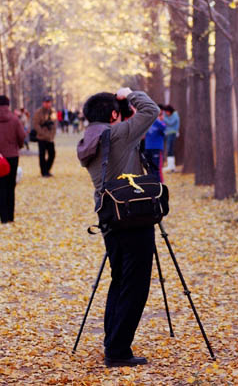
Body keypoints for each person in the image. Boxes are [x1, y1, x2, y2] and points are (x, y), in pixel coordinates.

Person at [77, 87, 159, 367]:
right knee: (135, 285)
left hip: (108, 216)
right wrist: (131, 93)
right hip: (132, 214)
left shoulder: (91, 138)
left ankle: (113, 341)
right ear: (114, 114)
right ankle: (118, 350)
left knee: (120, 279)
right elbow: (151, 111)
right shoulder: (118, 134)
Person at [0, 95, 25, 224]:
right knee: (11, 186)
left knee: (0, 187)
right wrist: (17, 146)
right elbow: (22, 136)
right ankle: (10, 217)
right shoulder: (15, 120)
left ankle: (3, 218)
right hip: (12, 156)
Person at [33, 96, 57, 177]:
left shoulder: (53, 112)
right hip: (41, 138)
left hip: (50, 138)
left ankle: (47, 169)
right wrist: (43, 134)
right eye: (46, 102)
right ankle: (44, 172)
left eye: (49, 102)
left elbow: (54, 124)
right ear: (43, 103)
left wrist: (52, 135)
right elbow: (36, 125)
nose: (47, 104)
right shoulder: (38, 112)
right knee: (42, 155)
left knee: (52, 154)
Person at [144, 108, 166, 183]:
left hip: (157, 149)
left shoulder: (162, 123)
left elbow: (164, 128)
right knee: (150, 169)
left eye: (160, 115)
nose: (159, 117)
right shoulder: (148, 123)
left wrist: (154, 118)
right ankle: (153, 186)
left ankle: (161, 185)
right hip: (147, 148)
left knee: (157, 169)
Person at [163, 105, 180, 172]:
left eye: (167, 112)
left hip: (172, 133)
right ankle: (172, 166)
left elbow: (171, 123)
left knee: (170, 148)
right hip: (168, 133)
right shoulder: (168, 116)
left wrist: (164, 118)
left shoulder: (175, 115)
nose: (166, 113)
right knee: (169, 148)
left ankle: (171, 166)